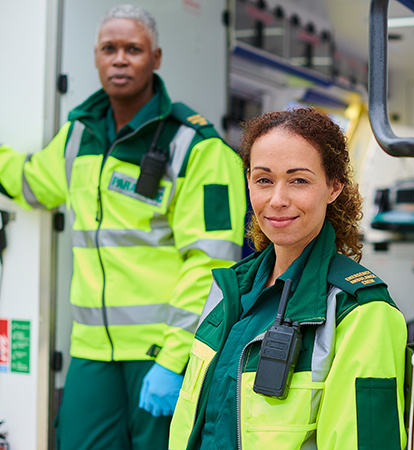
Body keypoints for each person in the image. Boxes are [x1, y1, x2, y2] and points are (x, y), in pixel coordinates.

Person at [0, 4, 246, 450]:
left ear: (156, 58)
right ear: (95, 57)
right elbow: (33, 183)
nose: (119, 59)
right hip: (92, 354)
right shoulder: (81, 134)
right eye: (108, 49)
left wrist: (174, 359)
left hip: (160, 354)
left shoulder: (197, 147)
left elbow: (208, 264)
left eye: (133, 49)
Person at [169, 107, 408, 450]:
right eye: (264, 180)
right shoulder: (229, 290)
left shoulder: (360, 312)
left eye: (298, 180)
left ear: (334, 187)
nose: (277, 200)